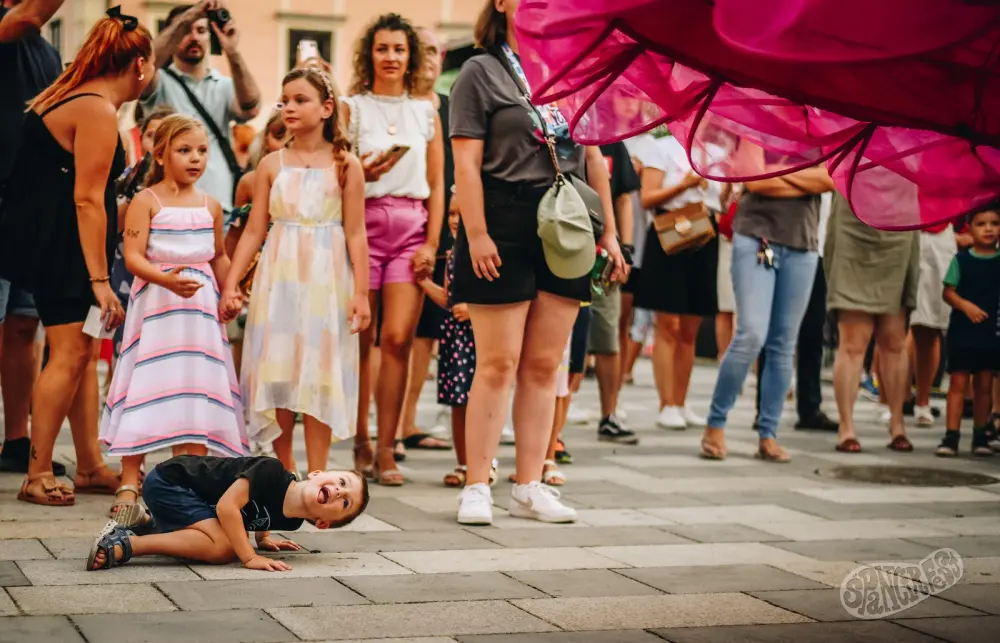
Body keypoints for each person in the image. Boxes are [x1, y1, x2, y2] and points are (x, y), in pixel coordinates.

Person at [449, 0, 626, 525]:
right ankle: (476, 484)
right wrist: (476, 234)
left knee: (546, 365)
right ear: (501, 4)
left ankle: (529, 485)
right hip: (501, 218)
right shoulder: (480, 71)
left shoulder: (575, 70)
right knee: (497, 363)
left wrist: (610, 234)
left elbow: (593, 157)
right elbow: (466, 163)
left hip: (566, 220)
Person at [0, 8, 154, 505]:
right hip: (65, 249)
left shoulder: (81, 98)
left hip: (63, 242)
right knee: (68, 355)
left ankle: (88, 464)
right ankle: (37, 472)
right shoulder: (96, 109)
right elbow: (87, 199)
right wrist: (100, 280)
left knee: (84, 353)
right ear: (140, 65)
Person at [100, 114, 247, 527]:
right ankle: (129, 481)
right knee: (148, 384)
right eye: (185, 150)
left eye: (202, 150)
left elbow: (218, 256)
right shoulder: (146, 201)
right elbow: (133, 258)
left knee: (195, 387)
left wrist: (230, 291)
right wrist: (165, 279)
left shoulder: (211, 205)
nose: (195, 158)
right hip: (158, 307)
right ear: (161, 155)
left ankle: (189, 478)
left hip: (199, 312)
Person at [221, 68, 370, 475]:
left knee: (320, 372)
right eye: (284, 100)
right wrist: (231, 283)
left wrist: (361, 292)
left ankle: (317, 472)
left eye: (300, 100)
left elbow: (356, 233)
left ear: (326, 108)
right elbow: (254, 231)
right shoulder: (272, 165)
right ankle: (284, 472)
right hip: (280, 276)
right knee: (280, 370)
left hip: (328, 277)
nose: (289, 107)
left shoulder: (346, 165)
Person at [342, 13, 445, 486]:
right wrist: (362, 173)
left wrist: (432, 242)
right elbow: (337, 174)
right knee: (361, 339)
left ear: (410, 57)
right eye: (382, 48)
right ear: (370, 54)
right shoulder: (351, 109)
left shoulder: (425, 111)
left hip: (411, 228)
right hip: (361, 227)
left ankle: (388, 448)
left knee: (399, 339)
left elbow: (438, 183)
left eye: (399, 49)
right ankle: (361, 440)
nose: (390, 57)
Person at [701, 162, 834, 462]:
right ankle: (716, 422)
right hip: (755, 236)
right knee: (750, 335)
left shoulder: (819, 135)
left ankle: (768, 433)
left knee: (783, 344)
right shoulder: (757, 132)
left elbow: (829, 180)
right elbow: (756, 182)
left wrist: (775, 176)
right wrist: (803, 180)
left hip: (803, 242)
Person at [86, 454, 369, 571]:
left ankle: (147, 522)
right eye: (342, 482)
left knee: (221, 538)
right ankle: (126, 543)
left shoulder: (293, 522)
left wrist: (262, 539)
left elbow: (264, 509)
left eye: (345, 502)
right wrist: (249, 556)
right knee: (223, 548)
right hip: (171, 482)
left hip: (190, 503)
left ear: (322, 523)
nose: (339, 491)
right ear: (318, 473)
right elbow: (227, 507)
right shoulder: (271, 471)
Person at [0, 0, 66, 476]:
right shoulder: (12, 24)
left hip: (31, 203)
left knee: (25, 323)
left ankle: (16, 440)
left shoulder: (47, 51)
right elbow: (26, 17)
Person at [139, 1, 261, 221]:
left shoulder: (224, 85)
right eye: (186, 30)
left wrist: (232, 52)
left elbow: (251, 107)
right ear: (174, 35)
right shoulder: (158, 81)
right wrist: (186, 18)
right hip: (167, 208)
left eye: (201, 30)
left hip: (219, 207)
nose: (194, 37)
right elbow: (144, 65)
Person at [631, 132, 718, 430]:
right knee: (668, 324)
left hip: (704, 234)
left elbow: (719, 200)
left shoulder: (715, 152)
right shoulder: (662, 148)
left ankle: (680, 401)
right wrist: (685, 185)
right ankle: (666, 403)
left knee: (691, 328)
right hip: (670, 232)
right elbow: (647, 197)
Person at [396, 25, 454, 458]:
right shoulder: (398, 107)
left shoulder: (452, 107)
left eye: (435, 50)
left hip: (449, 226)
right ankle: (387, 427)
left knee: (427, 332)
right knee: (396, 331)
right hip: (404, 228)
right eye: (422, 50)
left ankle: (408, 420)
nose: (429, 58)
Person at [826, 191, 919, 453]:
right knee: (853, 341)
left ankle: (898, 424)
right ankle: (846, 427)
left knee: (894, 338)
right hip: (853, 217)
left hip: (899, 218)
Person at [223, 110, 288, 383]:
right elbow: (237, 234)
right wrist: (229, 281)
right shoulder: (250, 182)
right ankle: (244, 393)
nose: (285, 142)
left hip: (299, 267)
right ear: (266, 139)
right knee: (254, 337)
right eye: (279, 135)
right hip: (258, 272)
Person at [936, 207, 1000, 458]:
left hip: (991, 333)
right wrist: (966, 306)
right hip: (963, 332)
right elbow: (948, 292)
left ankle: (980, 434)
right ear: (969, 228)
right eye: (981, 224)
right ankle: (951, 435)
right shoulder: (961, 260)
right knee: (958, 383)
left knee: (985, 384)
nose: (988, 229)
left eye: (994, 223)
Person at [592, 141, 639, 444]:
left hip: (604, 254)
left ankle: (609, 414)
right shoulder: (554, 129)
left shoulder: (611, 142)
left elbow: (624, 199)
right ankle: (552, 427)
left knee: (608, 336)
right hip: (560, 246)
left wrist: (627, 249)